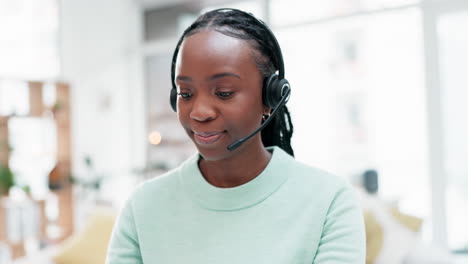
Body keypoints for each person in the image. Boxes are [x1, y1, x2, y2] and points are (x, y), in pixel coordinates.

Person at [106, 8, 365, 264]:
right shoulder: (143, 207)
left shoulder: (330, 201)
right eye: (186, 93)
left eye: (224, 92)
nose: (200, 112)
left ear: (269, 98)